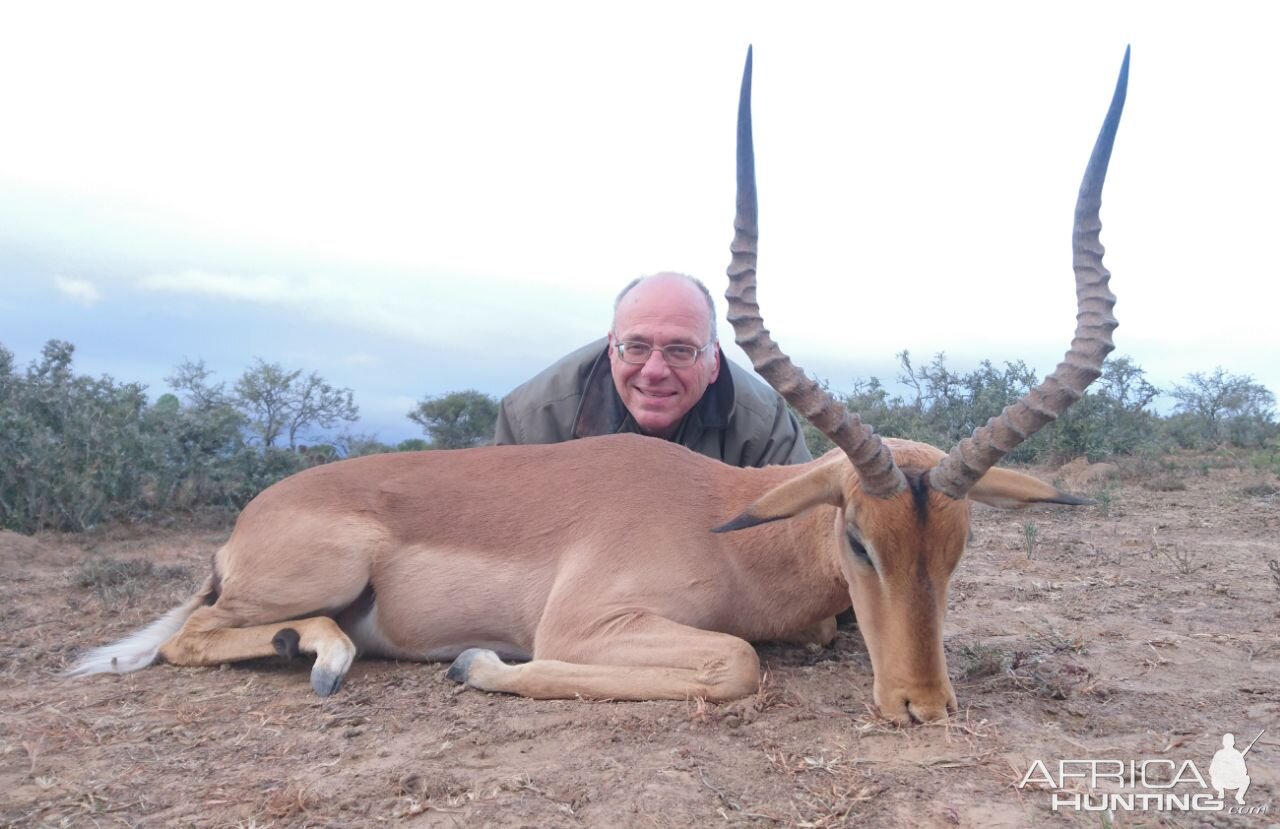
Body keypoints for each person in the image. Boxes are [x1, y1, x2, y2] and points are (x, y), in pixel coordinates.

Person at [494, 272, 811, 467]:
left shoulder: (764, 425)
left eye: (680, 350)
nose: (654, 370)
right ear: (611, 348)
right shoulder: (531, 421)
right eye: (636, 347)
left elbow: (803, 537)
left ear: (714, 360)